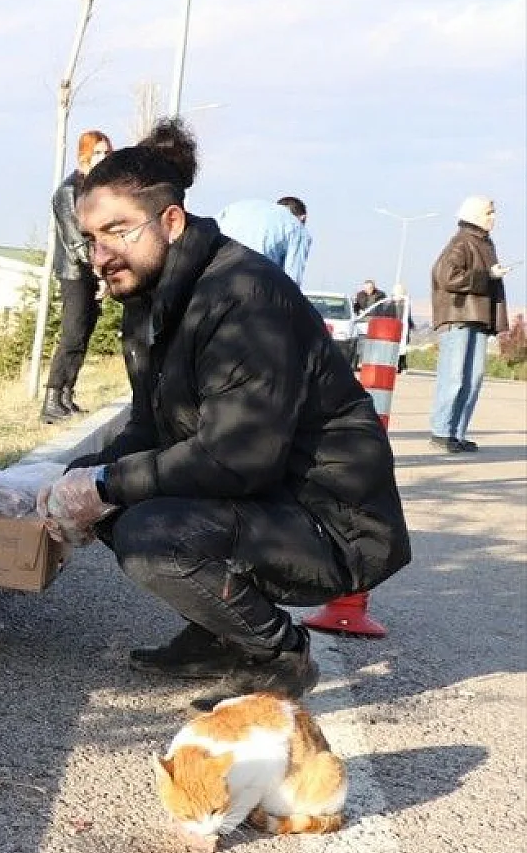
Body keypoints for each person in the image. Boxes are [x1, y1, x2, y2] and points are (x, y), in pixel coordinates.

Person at [37, 119, 411, 702]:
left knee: (148, 531)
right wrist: (72, 479)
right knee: (103, 496)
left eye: (117, 231)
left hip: (330, 519)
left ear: (171, 222)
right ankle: (220, 636)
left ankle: (278, 655)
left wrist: (106, 483)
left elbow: (238, 456)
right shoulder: (150, 297)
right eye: (90, 238)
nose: (101, 255)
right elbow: (149, 427)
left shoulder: (243, 297)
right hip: (267, 496)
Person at [42, 129, 114, 424]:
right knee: (72, 334)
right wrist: (101, 273)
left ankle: (66, 395)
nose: (103, 158)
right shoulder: (68, 191)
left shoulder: (96, 190)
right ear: (84, 155)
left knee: (84, 334)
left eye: (107, 152)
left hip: (91, 269)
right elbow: (76, 241)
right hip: (74, 272)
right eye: (98, 152)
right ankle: (51, 400)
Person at [429, 196, 509, 454]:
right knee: (453, 377)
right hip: (459, 317)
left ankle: (457, 433)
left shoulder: (485, 243)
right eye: (488, 212)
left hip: (478, 318)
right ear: (474, 215)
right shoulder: (461, 241)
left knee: (473, 379)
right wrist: (487, 276)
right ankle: (442, 432)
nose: (493, 217)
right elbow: (445, 275)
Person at [215, 195, 312, 286]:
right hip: (251, 282)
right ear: (303, 218)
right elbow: (292, 281)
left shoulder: (236, 209)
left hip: (215, 275)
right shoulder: (297, 227)